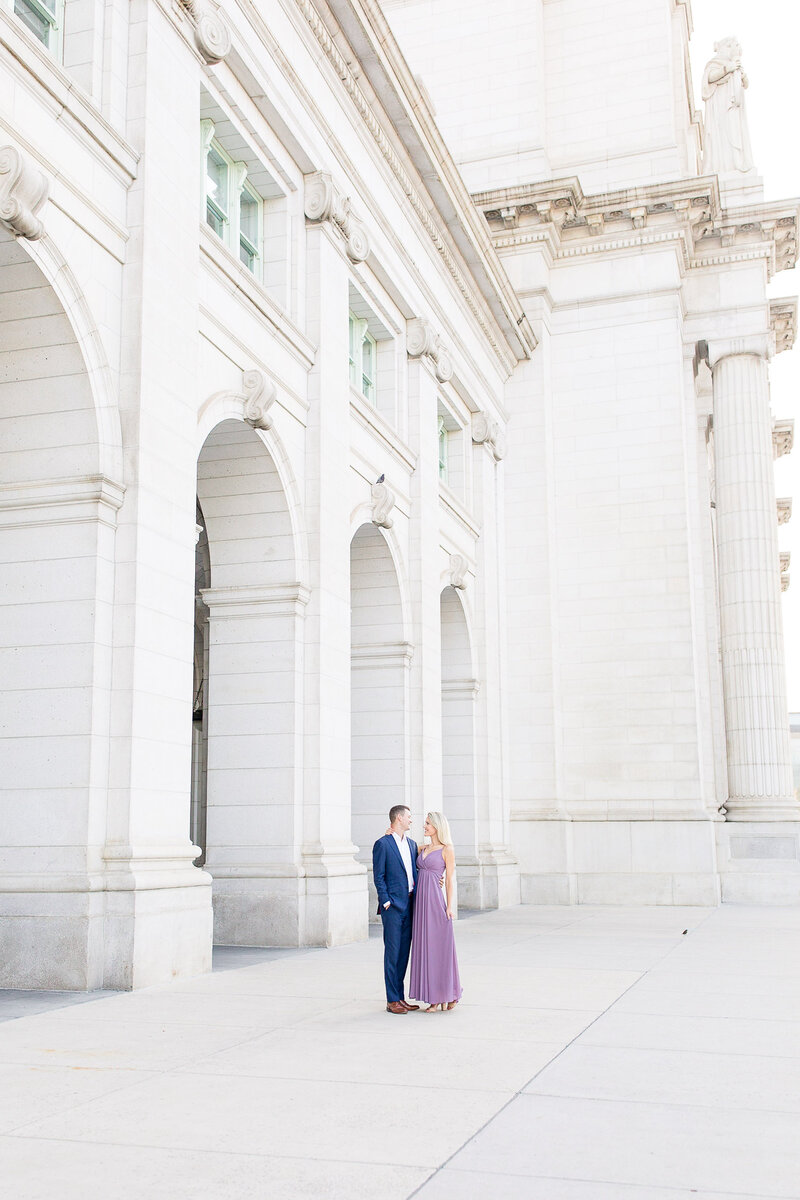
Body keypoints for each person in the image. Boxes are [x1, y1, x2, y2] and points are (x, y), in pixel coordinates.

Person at [408, 811, 462, 1013]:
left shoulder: (447, 849)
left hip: (435, 903)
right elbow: (404, 847)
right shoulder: (422, 848)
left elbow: (448, 880)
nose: (425, 826)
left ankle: (444, 995)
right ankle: (434, 997)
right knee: (426, 949)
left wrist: (449, 906)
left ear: (437, 827)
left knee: (440, 950)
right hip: (420, 904)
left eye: (428, 823)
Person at [372, 804, 419, 1015]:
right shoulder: (382, 844)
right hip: (393, 908)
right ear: (399, 818)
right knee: (392, 953)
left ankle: (400, 997)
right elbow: (378, 876)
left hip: (410, 905)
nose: (411, 820)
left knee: (403, 954)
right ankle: (392, 1000)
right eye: (409, 816)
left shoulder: (412, 844)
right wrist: (386, 901)